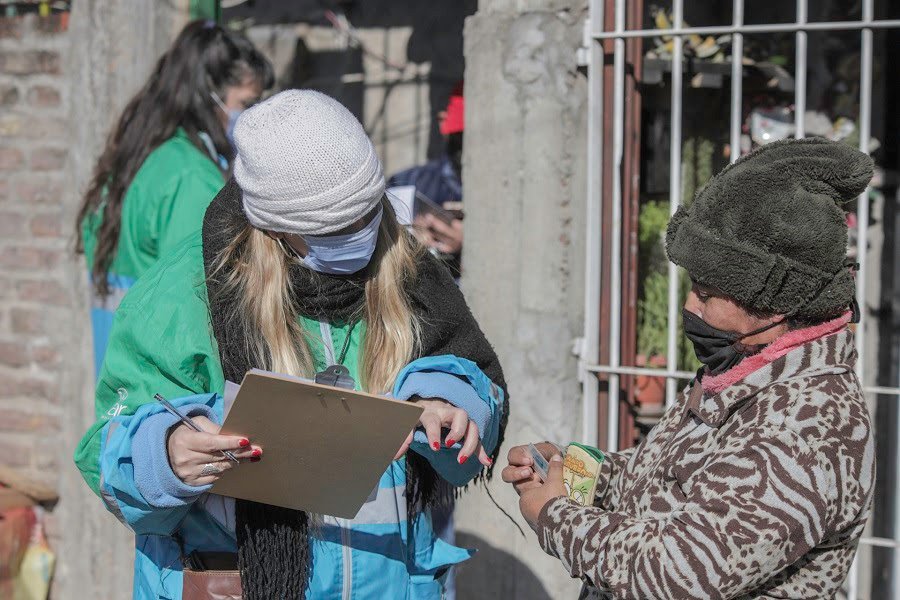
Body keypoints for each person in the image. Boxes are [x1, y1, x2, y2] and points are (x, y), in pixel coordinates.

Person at [74, 90, 508, 600]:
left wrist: (448, 402)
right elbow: (107, 452)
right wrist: (165, 455)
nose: (359, 237)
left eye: (366, 216)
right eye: (331, 230)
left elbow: (473, 377)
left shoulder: (407, 265)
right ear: (275, 230)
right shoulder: (182, 295)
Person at [504, 138, 875, 599]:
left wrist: (555, 515)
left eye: (706, 293)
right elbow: (666, 484)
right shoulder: (746, 367)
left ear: (775, 303)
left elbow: (681, 573)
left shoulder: (810, 422)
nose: (689, 306)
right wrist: (574, 471)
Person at [75, 19, 274, 376]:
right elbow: (195, 301)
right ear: (208, 95)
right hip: (167, 383)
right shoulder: (192, 178)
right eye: (246, 103)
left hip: (122, 375)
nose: (253, 116)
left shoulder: (134, 163)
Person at [388, 84, 465, 277]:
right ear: (442, 122)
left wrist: (470, 243)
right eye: (461, 135)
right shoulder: (407, 182)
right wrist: (410, 243)